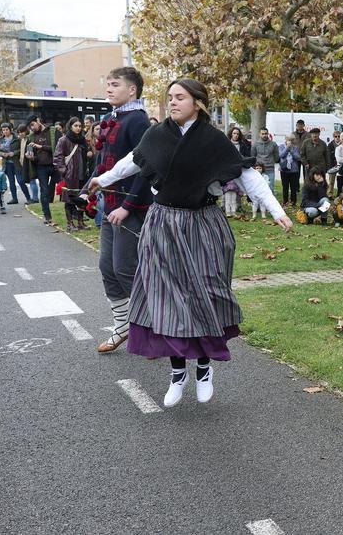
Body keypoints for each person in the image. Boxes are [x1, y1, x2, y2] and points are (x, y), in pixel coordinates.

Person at [88, 78, 291, 407]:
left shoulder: (213, 141)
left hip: (203, 226)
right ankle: (177, 372)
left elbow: (247, 176)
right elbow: (131, 161)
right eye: (170, 97)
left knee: (204, 294)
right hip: (163, 224)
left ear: (198, 102)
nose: (173, 103)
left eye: (180, 97)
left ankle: (205, 367)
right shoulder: (157, 135)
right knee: (168, 301)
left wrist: (277, 211)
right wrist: (102, 179)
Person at [91, 66, 153, 354]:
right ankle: (123, 327)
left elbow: (146, 168)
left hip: (132, 208)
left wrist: (128, 208)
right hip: (109, 206)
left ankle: (153, 331)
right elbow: (105, 164)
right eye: (108, 84)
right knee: (107, 268)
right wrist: (86, 191)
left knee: (126, 269)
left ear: (132, 90)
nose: (109, 89)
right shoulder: (109, 118)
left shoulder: (139, 121)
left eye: (115, 84)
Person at [55, 116, 93, 231]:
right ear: (70, 126)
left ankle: (81, 222)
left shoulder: (83, 140)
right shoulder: (64, 140)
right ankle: (70, 223)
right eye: (75, 126)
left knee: (82, 199)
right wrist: (64, 172)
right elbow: (58, 158)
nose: (78, 128)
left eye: (80, 126)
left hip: (82, 173)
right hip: (70, 175)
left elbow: (87, 154)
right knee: (69, 200)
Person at [24, 117, 58, 224]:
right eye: (30, 127)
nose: (32, 128)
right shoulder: (31, 137)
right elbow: (32, 156)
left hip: (56, 165)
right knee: (44, 191)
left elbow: (58, 149)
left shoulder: (53, 131)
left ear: (39, 120)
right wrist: (30, 157)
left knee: (62, 189)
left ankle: (73, 215)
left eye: (33, 124)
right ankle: (47, 216)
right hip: (41, 167)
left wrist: (41, 146)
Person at [0, 122, 30, 204]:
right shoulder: (0, 140)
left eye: (6, 129)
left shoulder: (17, 138)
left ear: (11, 130)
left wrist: (13, 153)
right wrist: (3, 154)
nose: (5, 131)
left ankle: (29, 198)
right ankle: (14, 198)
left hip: (16, 162)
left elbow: (22, 149)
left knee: (20, 181)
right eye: (3, 130)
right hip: (6, 163)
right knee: (11, 181)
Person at [251, 128, 279, 192]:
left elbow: (277, 157)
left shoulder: (273, 144)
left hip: (270, 169)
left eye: (266, 134)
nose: (264, 135)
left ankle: (270, 202)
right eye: (262, 134)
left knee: (270, 188)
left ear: (268, 134)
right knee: (258, 188)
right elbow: (253, 157)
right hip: (259, 170)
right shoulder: (255, 144)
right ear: (259, 134)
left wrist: (271, 162)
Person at [279, 136, 302, 206]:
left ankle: (293, 201)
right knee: (285, 186)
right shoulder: (281, 146)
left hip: (294, 170)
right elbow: (281, 155)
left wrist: (291, 151)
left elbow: (298, 157)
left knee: (293, 187)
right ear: (285, 140)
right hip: (284, 169)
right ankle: (285, 201)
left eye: (292, 140)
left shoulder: (296, 147)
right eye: (288, 140)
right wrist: (287, 148)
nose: (290, 141)